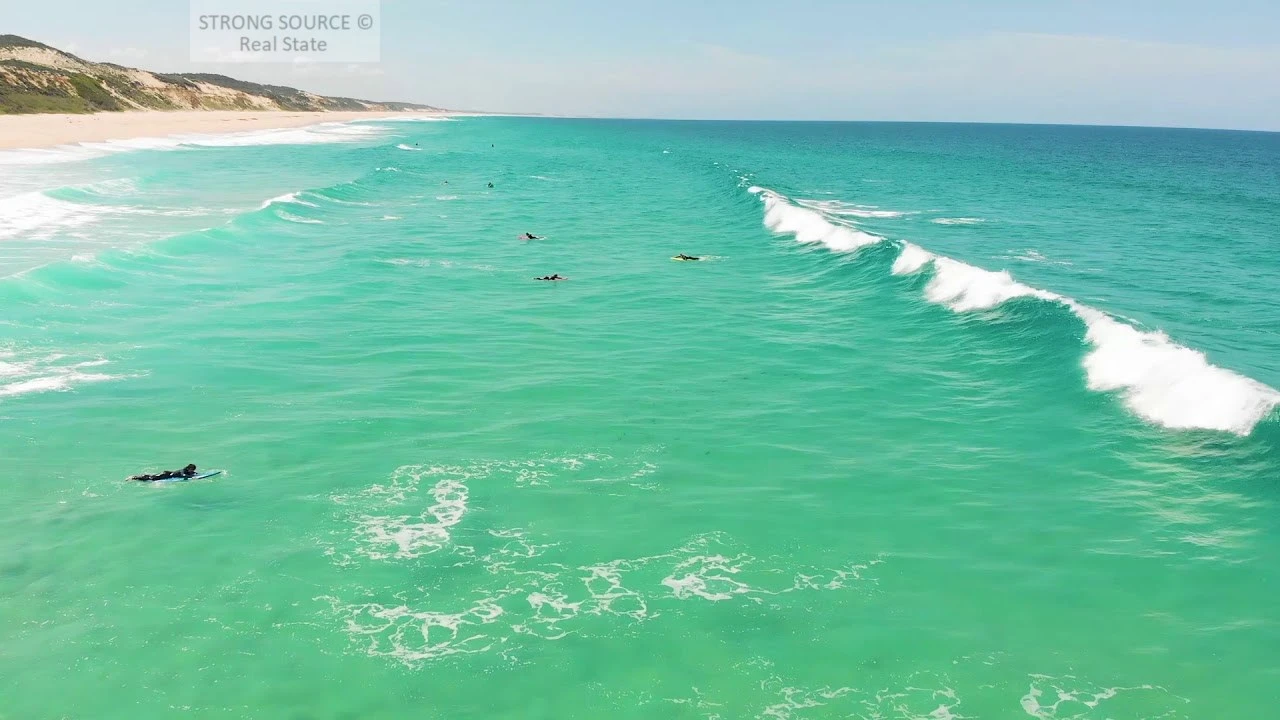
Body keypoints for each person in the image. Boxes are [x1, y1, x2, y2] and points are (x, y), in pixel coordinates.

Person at [129, 464, 198, 482]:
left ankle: (137, 477)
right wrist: (191, 477)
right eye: (192, 470)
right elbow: (183, 475)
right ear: (188, 468)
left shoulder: (188, 471)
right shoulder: (183, 470)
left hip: (168, 475)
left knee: (152, 478)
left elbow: (192, 473)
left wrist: (196, 474)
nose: (192, 471)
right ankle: (134, 477)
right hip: (165, 475)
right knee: (151, 478)